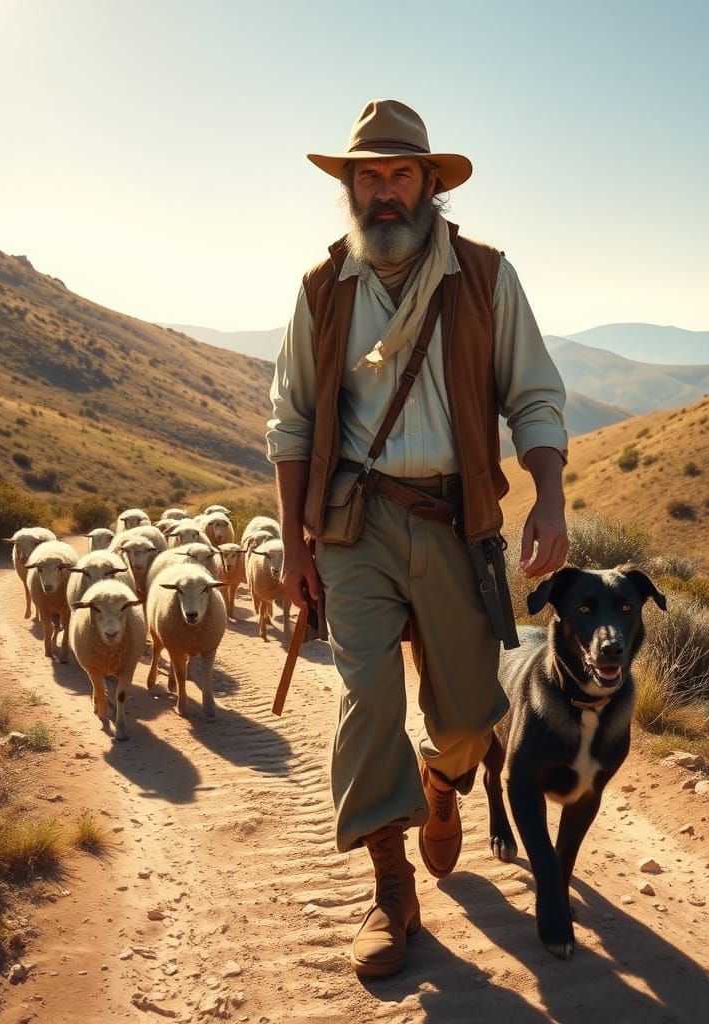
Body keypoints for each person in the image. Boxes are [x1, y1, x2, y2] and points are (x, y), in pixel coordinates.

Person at [266, 99, 569, 978]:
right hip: (351, 524)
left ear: (431, 184)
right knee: (367, 698)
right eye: (370, 177)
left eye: (402, 174)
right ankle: (390, 886)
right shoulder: (323, 289)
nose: (386, 192)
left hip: (453, 518)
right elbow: (292, 422)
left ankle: (442, 782)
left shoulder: (484, 276)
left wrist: (548, 497)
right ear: (351, 189)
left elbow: (534, 395)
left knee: (470, 717)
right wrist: (294, 545)